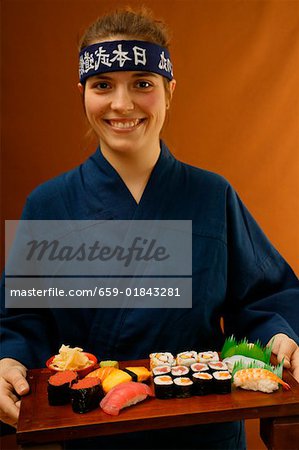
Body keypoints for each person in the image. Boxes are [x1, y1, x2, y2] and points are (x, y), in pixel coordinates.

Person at [1, 6, 299, 449]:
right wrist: (7, 358)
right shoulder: (50, 204)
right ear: (82, 93)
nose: (122, 104)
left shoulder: (211, 194)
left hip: (204, 423)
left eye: (143, 84)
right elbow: (23, 319)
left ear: (170, 90)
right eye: (103, 85)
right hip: (93, 426)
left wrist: (279, 335)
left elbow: (262, 296)